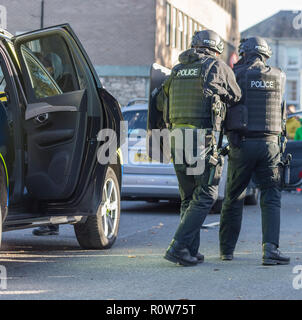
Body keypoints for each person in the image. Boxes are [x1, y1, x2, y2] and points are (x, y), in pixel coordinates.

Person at [157, 30, 241, 266]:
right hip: (200, 137)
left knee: (188, 197)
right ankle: (178, 246)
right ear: (215, 48)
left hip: (175, 135)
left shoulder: (176, 70)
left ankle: (189, 252)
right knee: (207, 194)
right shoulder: (216, 65)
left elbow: (161, 100)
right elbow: (237, 95)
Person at [219, 37, 290, 266]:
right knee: (271, 197)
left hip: (242, 143)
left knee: (233, 197)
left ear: (244, 53)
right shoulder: (279, 75)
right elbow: (282, 112)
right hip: (270, 145)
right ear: (265, 54)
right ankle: (270, 251)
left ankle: (226, 251)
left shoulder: (235, 74)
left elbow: (225, 106)